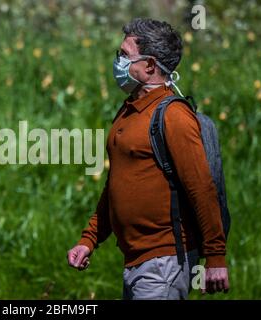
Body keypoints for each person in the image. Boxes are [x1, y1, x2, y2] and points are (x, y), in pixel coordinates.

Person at [67, 18, 229, 300]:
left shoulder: (174, 116)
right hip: (136, 261)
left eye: (124, 55)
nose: (118, 62)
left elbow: (201, 188)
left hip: (164, 263)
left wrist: (215, 257)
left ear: (150, 66)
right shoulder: (129, 110)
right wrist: (89, 239)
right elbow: (117, 185)